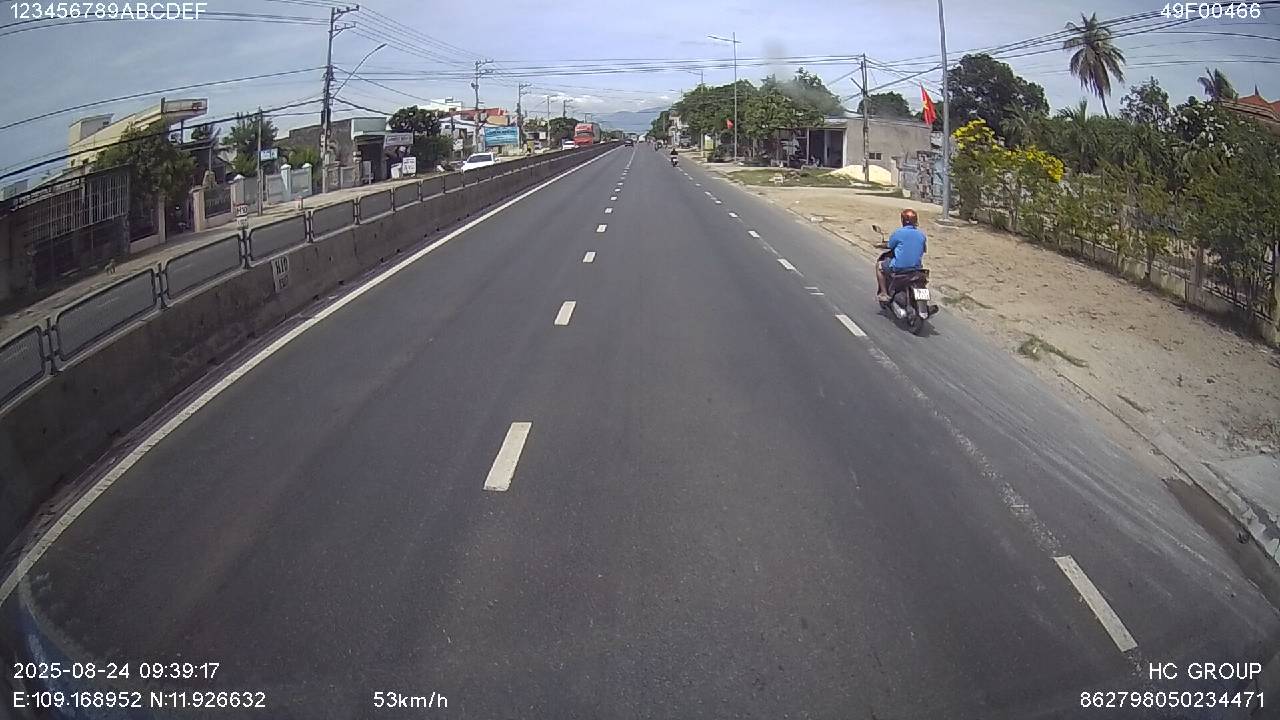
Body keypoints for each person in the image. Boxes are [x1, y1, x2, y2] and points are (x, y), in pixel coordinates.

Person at [877, 208, 926, 302]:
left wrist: (880, 245)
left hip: (899, 268)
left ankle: (884, 293)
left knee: (879, 265)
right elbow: (923, 249)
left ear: (903, 220)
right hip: (917, 268)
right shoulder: (921, 235)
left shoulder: (899, 233)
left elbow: (890, 245)